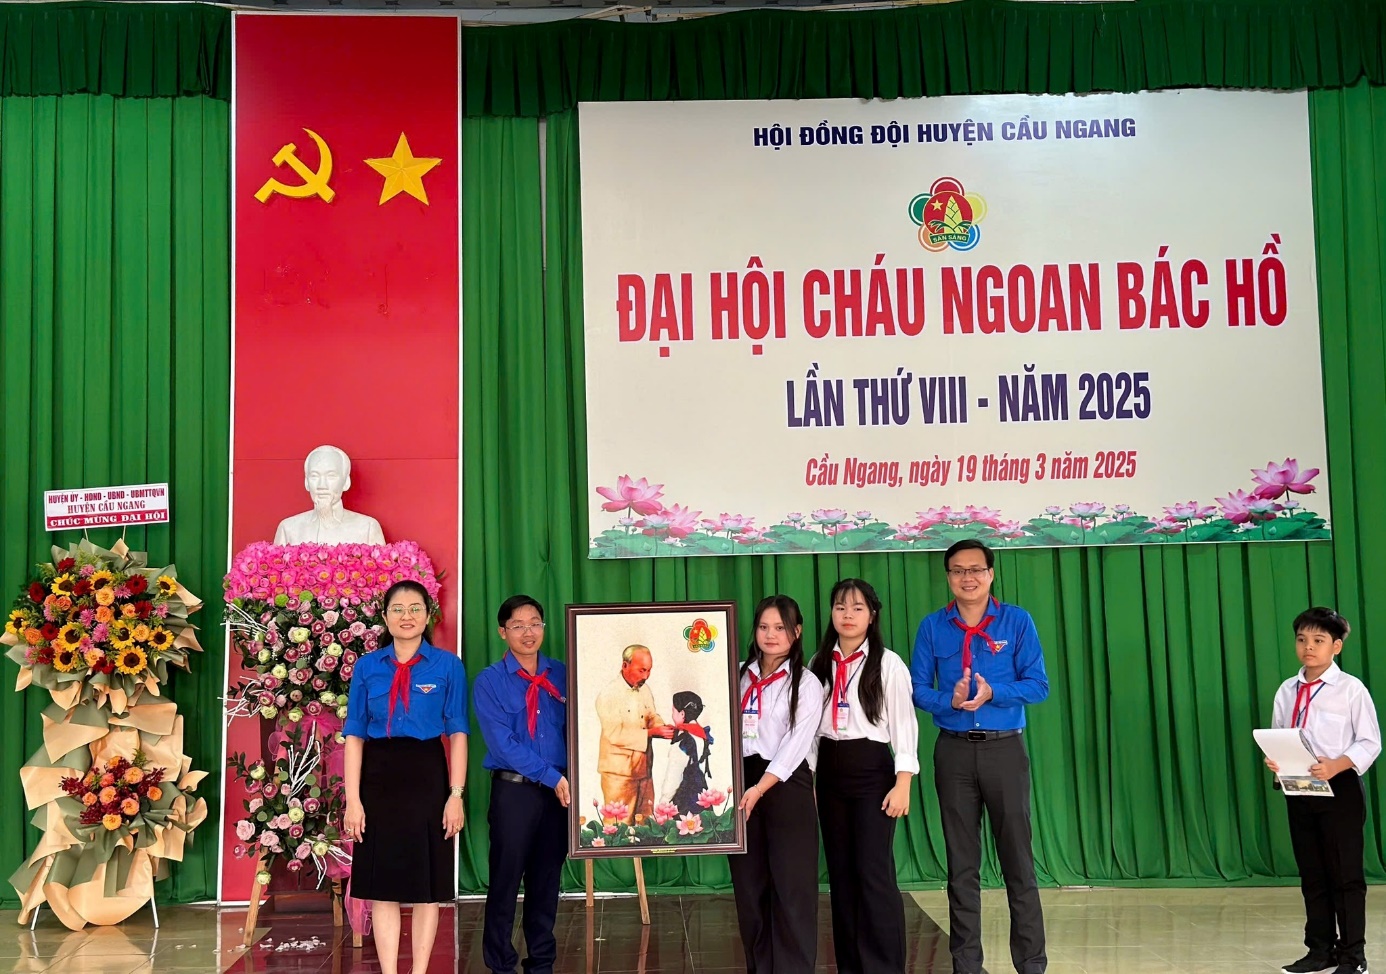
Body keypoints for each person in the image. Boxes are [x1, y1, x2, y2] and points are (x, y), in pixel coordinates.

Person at [911, 539, 1049, 974]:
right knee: (961, 865)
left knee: (1018, 862)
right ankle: (966, 965)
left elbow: (1038, 685)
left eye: (975, 569)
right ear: (948, 577)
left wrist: (995, 692)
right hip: (953, 752)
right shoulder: (932, 626)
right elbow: (917, 689)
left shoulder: (1017, 621)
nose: (966, 578)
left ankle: (1031, 964)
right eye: (957, 570)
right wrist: (948, 701)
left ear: (990, 574)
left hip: (1005, 749)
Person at [343, 580, 467, 974]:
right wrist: (353, 800)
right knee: (383, 886)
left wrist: (456, 795)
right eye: (397, 609)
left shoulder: (448, 665)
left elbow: (458, 733)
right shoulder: (367, 667)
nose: (407, 616)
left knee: (428, 886)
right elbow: (354, 736)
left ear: (428, 615)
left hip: (428, 775)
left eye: (415, 608)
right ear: (384, 617)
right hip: (378, 778)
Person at [809, 578, 917, 974]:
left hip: (872, 772)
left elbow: (905, 726)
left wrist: (903, 782)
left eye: (857, 608)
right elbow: (808, 731)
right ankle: (851, 965)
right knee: (841, 875)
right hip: (829, 774)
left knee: (873, 873)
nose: (848, 615)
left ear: (872, 615)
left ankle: (884, 966)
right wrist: (811, 780)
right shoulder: (819, 662)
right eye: (840, 607)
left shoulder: (888, 664)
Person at [1267, 607, 1380, 974]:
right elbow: (1279, 733)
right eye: (1302, 639)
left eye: (1318, 640)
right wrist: (1275, 759)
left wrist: (1336, 764)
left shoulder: (1350, 689)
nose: (1308, 647)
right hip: (1299, 787)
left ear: (1336, 646)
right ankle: (1319, 950)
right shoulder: (1287, 690)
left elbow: (1370, 741)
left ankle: (1353, 956)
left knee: (1345, 875)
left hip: (1340, 787)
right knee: (1312, 873)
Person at [472, 595, 570, 974]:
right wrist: (552, 776)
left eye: (534, 624)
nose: (528, 632)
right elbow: (503, 745)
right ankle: (501, 965)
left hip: (559, 794)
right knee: (506, 880)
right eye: (518, 625)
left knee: (546, 882)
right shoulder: (490, 681)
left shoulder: (563, 672)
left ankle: (541, 964)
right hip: (514, 792)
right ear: (503, 632)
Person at [729, 595, 825, 974]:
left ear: (796, 632)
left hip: (785, 784)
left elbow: (796, 745)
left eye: (780, 628)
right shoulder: (736, 674)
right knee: (750, 888)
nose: (771, 635)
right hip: (741, 784)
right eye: (764, 627)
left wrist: (760, 788)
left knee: (791, 888)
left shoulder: (807, 683)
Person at [594, 644, 672, 823]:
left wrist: (663, 728)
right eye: (642, 670)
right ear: (625, 665)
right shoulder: (608, 694)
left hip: (644, 770)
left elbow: (651, 716)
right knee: (618, 825)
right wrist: (651, 732)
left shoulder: (644, 689)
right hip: (618, 774)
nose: (646, 676)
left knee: (645, 822)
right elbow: (615, 733)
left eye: (649, 670)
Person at [274, 445, 386, 545]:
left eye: (331, 476)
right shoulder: (288, 529)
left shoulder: (368, 528)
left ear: (346, 482)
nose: (322, 485)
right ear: (306, 482)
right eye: (314, 476)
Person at [658, 690, 712, 812]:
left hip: (685, 802)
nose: (672, 715)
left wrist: (663, 803)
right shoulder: (702, 735)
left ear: (682, 714)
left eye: (673, 711)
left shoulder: (682, 741)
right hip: (701, 797)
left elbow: (673, 778)